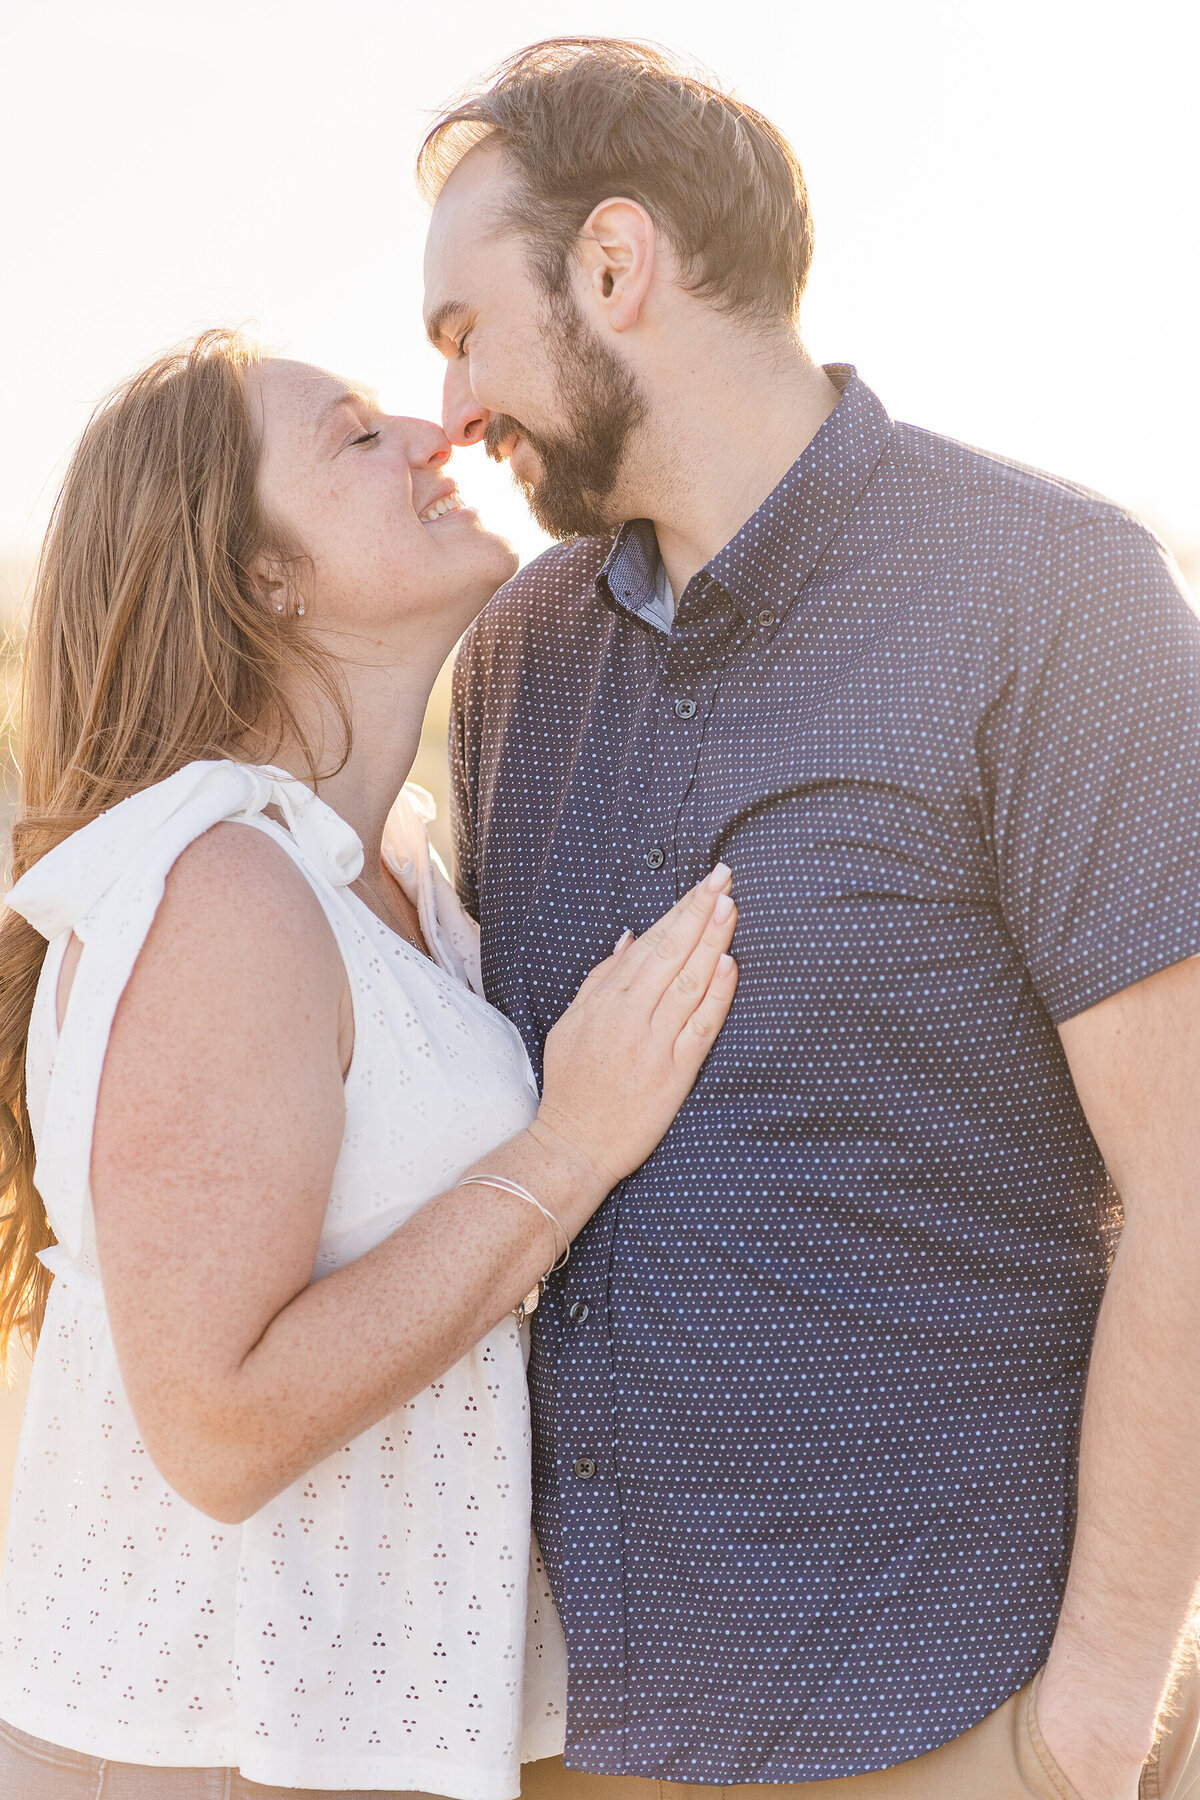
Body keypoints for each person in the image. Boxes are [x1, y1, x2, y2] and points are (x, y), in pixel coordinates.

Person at [419, 37, 1200, 1800]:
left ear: (614, 266)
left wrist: (1088, 1726)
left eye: (463, 330)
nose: (451, 407)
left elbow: (1194, 1189)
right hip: (561, 1732)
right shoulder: (518, 664)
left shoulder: (1054, 598)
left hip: (945, 1724)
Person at [0, 329, 739, 1799]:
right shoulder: (223, 890)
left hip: (342, 1733)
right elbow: (218, 1426)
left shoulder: (388, 870)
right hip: (205, 1748)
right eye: (350, 437)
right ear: (264, 575)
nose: (430, 431)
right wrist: (568, 1151)